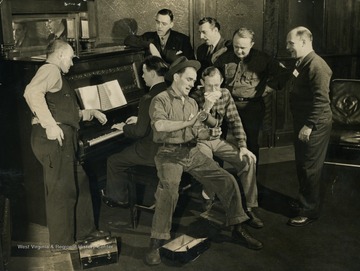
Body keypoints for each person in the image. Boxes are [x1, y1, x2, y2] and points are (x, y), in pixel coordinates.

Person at [145, 56, 263, 266]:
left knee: (227, 180)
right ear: (176, 77)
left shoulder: (191, 102)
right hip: (169, 154)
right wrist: (191, 121)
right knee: (169, 188)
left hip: (191, 152)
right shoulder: (160, 99)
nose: (192, 84)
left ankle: (237, 226)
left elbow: (197, 131)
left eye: (193, 80)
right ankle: (157, 241)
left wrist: (209, 134)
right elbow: (160, 126)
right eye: (189, 79)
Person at [23, 40, 107, 251]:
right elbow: (31, 93)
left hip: (65, 140)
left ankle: (85, 232)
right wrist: (50, 125)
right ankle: (63, 246)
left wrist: (90, 113)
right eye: (70, 57)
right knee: (62, 192)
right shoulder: (50, 69)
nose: (72, 62)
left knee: (81, 182)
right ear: (60, 54)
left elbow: (62, 111)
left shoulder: (57, 76)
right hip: (54, 141)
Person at [190, 66, 263, 228]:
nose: (214, 89)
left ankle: (249, 207)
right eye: (209, 86)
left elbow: (235, 120)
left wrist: (243, 146)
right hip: (199, 140)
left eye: (217, 85)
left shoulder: (225, 94)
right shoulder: (194, 96)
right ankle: (208, 196)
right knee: (209, 166)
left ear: (222, 82)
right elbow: (193, 126)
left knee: (247, 160)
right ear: (202, 83)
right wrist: (207, 106)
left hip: (216, 140)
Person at [214, 27, 286, 169]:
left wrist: (266, 90)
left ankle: (250, 182)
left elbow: (283, 74)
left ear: (252, 44)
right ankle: (218, 180)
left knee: (251, 144)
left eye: (243, 48)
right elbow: (213, 75)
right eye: (236, 47)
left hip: (251, 107)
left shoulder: (263, 59)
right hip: (226, 105)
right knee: (218, 141)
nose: (239, 51)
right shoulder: (224, 58)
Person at [102, 55, 169, 207]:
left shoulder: (148, 97)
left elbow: (139, 133)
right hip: (168, 147)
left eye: (144, 73)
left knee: (113, 161)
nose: (142, 77)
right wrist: (141, 119)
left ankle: (118, 198)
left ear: (152, 74)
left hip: (151, 151)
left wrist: (123, 127)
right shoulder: (170, 91)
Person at [285, 27, 332, 227]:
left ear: (304, 42)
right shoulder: (302, 62)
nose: (287, 47)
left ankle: (309, 210)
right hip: (304, 122)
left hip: (314, 123)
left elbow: (322, 101)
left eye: (291, 43)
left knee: (310, 167)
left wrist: (309, 126)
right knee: (302, 164)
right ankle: (304, 200)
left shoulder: (317, 66)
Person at [124, 9, 195, 64]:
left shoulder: (182, 39)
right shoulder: (149, 36)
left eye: (164, 24)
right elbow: (128, 40)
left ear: (171, 24)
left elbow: (191, 63)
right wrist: (150, 45)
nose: (159, 27)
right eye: (158, 22)